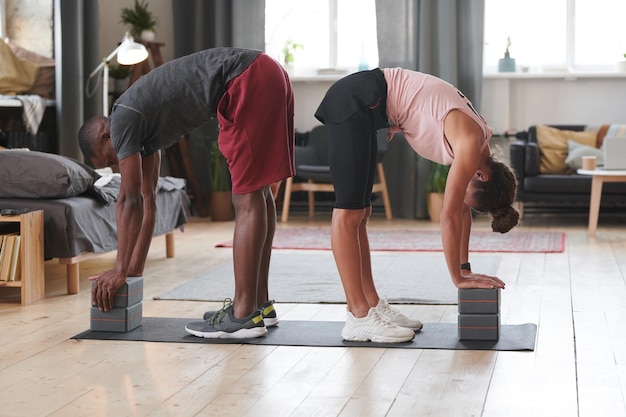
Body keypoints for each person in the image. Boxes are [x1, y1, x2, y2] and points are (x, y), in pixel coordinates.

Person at [78, 47, 294, 339]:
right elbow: (146, 201)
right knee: (259, 193)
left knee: (246, 197)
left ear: (106, 136)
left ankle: (243, 315)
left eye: (110, 160)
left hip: (246, 78)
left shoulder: (123, 119)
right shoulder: (144, 132)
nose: (116, 167)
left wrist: (116, 270)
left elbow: (127, 200)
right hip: (265, 72)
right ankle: (259, 306)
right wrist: (131, 273)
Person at [315, 68, 519, 343]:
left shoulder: (478, 141)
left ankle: (372, 304)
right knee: (348, 212)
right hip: (358, 99)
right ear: (482, 176)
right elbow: (449, 215)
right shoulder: (471, 145)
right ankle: (358, 317)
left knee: (361, 212)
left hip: (370, 106)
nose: (460, 196)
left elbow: (460, 212)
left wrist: (465, 267)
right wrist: (456, 278)